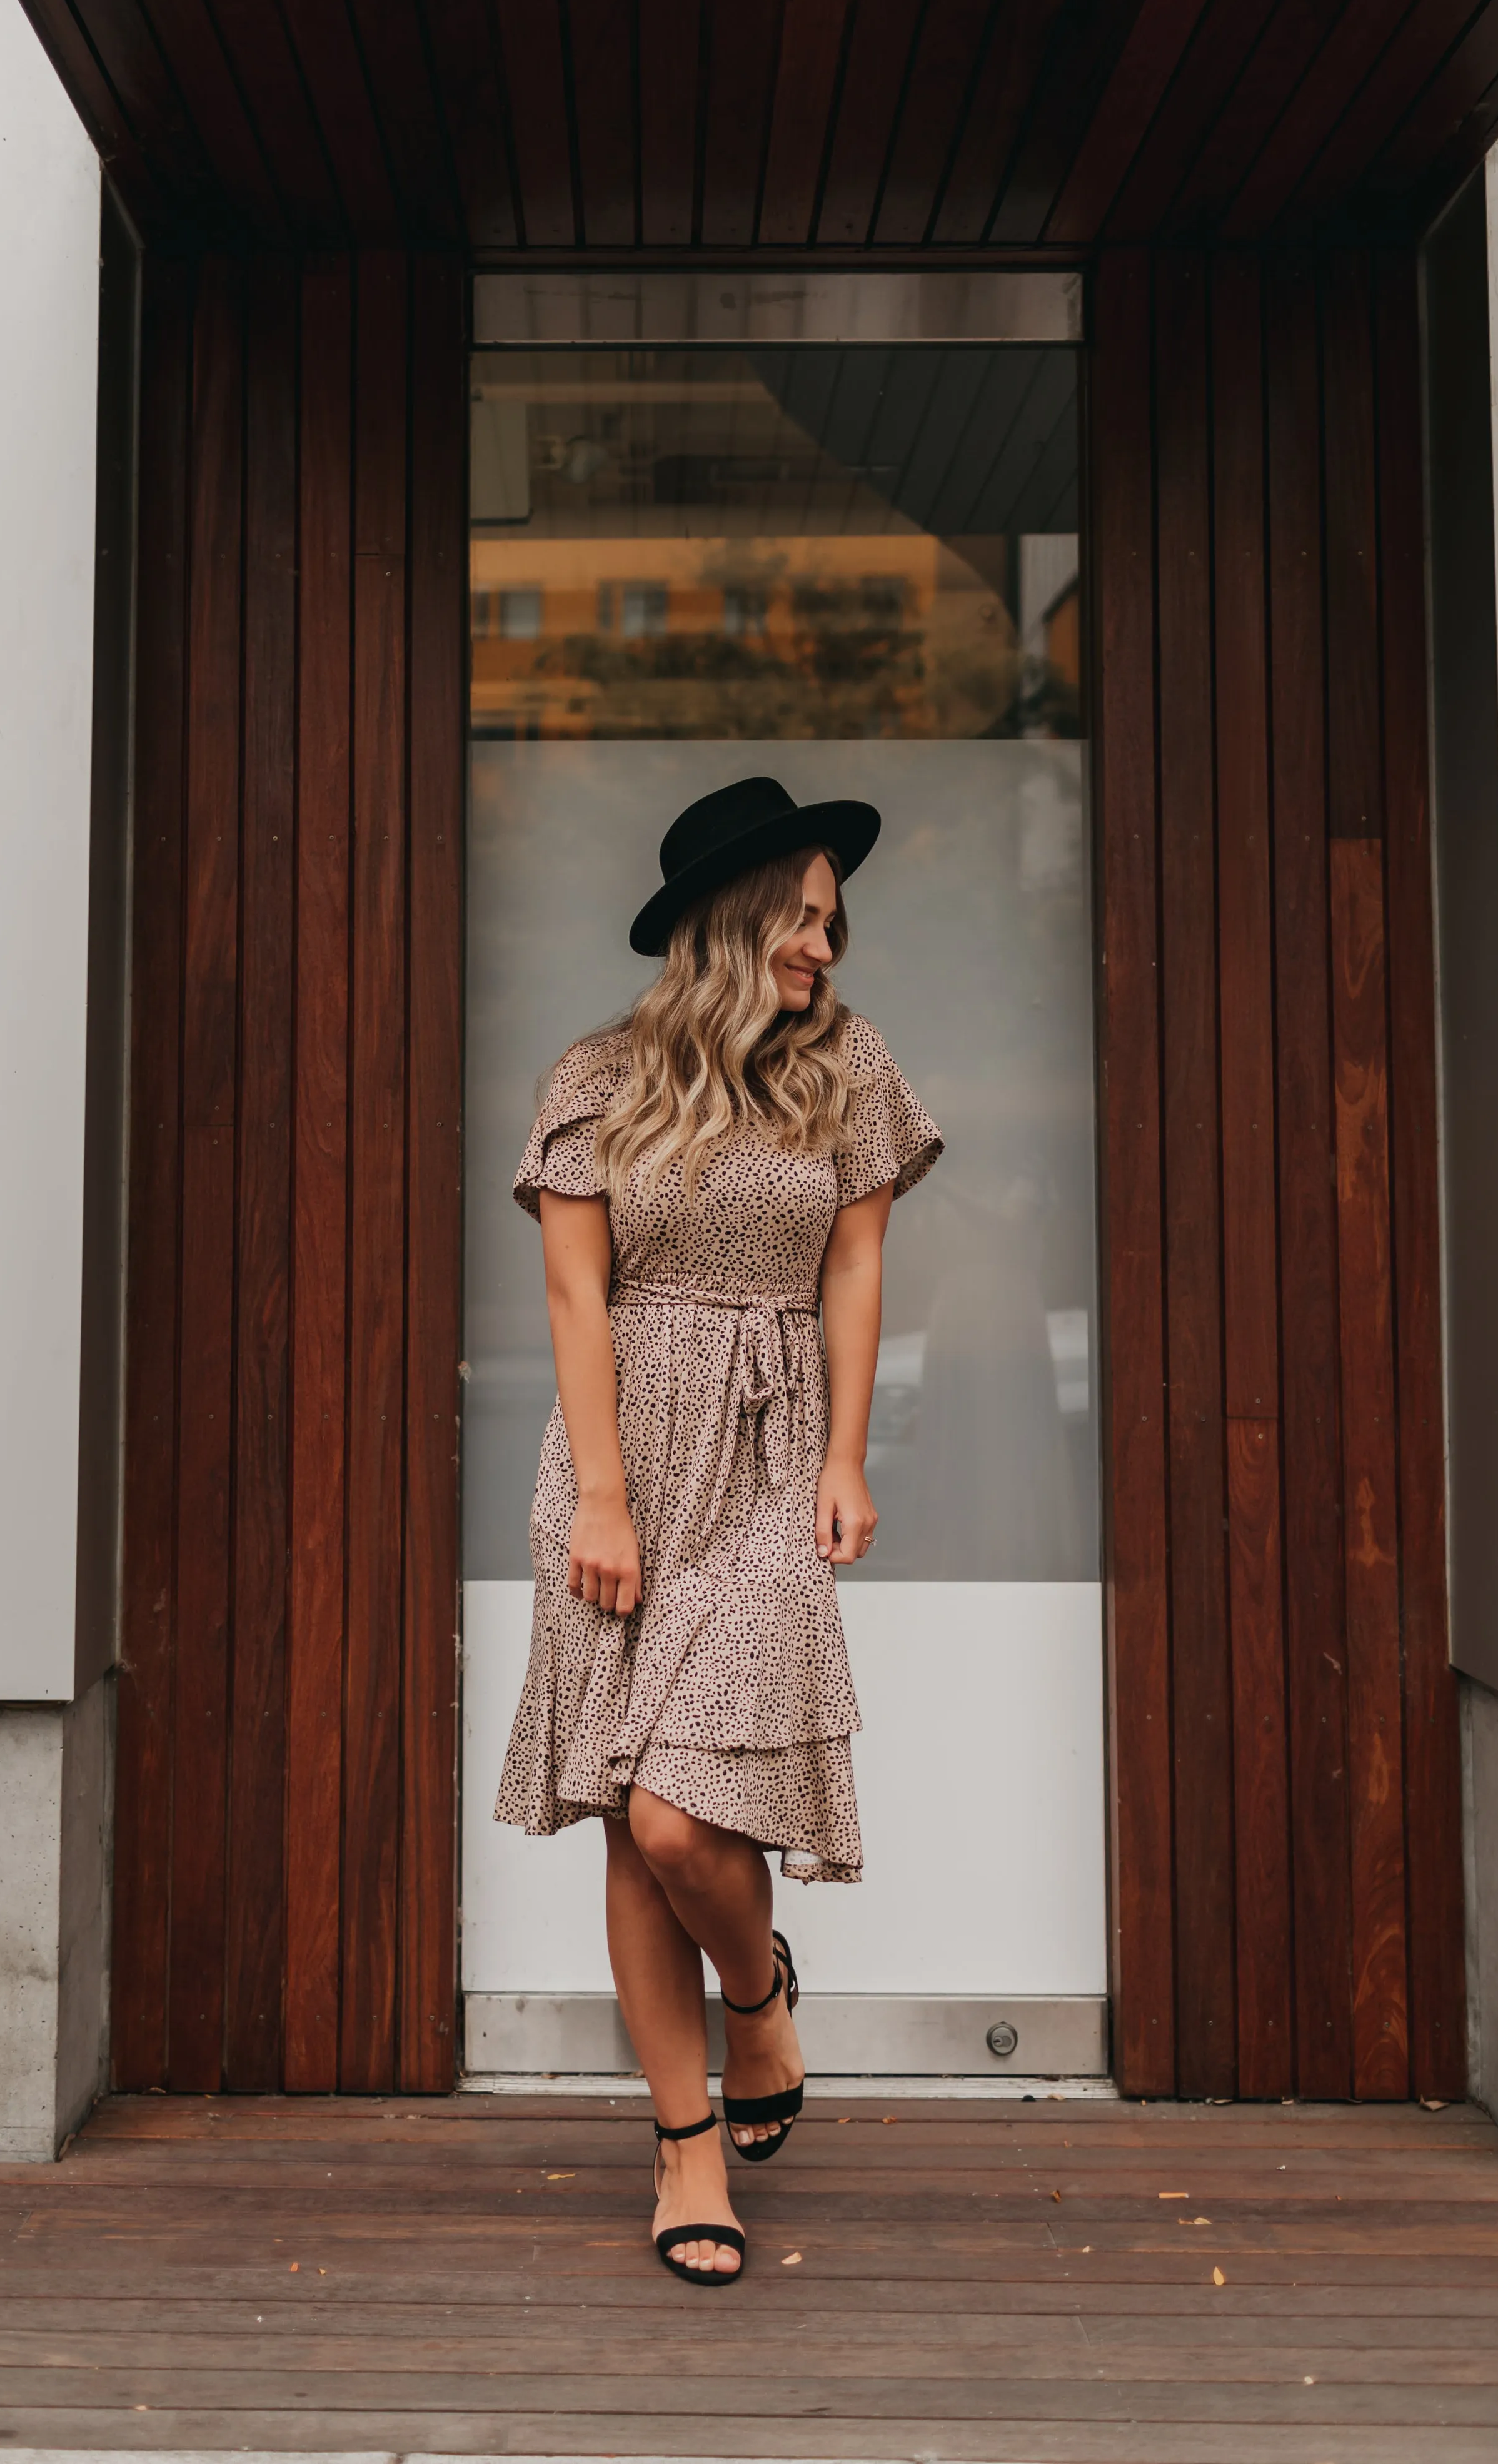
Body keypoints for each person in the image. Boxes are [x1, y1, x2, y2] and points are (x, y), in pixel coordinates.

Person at [495, 775, 942, 2286]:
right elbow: (574, 1295)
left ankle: (757, 2000)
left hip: (768, 1452)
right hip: (624, 1460)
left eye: (832, 921)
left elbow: (858, 1272)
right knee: (633, 1821)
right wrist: (605, 1495)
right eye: (807, 917)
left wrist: (848, 1455)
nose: (828, 943)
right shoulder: (595, 1079)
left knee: (689, 1814)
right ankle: (690, 2148)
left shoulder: (850, 1070)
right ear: (736, 916)